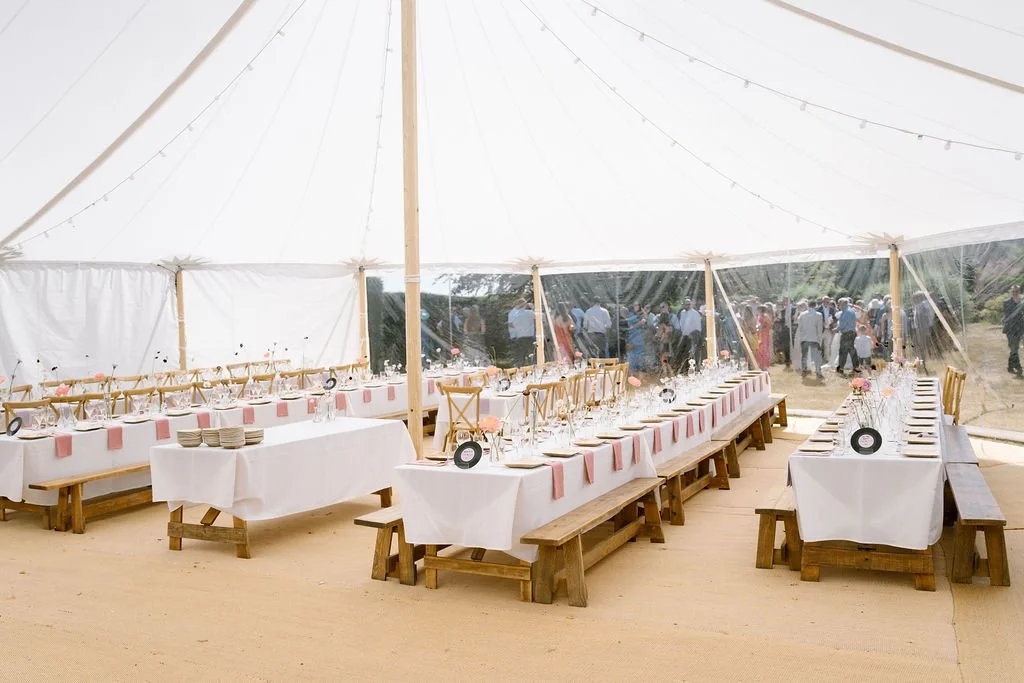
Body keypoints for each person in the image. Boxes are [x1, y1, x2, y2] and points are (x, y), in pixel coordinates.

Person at [796, 301, 824, 379]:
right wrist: (819, 338)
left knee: (804, 355)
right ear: (815, 306)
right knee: (816, 356)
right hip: (814, 337)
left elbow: (800, 327)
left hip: (804, 337)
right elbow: (819, 328)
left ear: (808, 305)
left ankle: (804, 370)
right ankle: (818, 371)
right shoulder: (819, 315)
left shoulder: (802, 314)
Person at [506, 299, 535, 367]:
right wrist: (533, 307)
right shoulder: (529, 313)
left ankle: (521, 369)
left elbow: (510, 325)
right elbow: (540, 317)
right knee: (531, 356)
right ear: (525, 305)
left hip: (519, 337)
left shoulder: (513, 314)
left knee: (520, 356)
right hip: (529, 337)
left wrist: (513, 336)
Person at [835, 298, 859, 375]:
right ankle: (855, 367)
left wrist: (837, 329)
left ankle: (841, 368)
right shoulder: (849, 311)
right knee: (851, 350)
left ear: (843, 304)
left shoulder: (847, 312)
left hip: (847, 333)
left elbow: (843, 324)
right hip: (851, 332)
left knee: (843, 351)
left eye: (839, 304)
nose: (839, 306)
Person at [1004, 284, 1023, 377]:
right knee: (1014, 348)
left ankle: (1010, 366)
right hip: (1010, 329)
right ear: (1011, 292)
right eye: (1013, 291)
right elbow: (1009, 316)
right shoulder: (1006, 302)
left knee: (1014, 348)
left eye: (1017, 291)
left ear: (1019, 292)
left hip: (1019, 329)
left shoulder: (1022, 302)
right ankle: (1018, 367)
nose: (1015, 293)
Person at [677, 299, 702, 368]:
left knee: (693, 352)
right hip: (685, 336)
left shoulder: (695, 313)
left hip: (693, 336)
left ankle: (696, 368)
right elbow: (681, 324)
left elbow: (697, 327)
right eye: (685, 304)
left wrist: (693, 334)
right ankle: (685, 368)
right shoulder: (682, 313)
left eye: (688, 304)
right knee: (684, 353)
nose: (687, 306)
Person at [625, 303, 646, 374]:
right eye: (634, 305)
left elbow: (644, 323)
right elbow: (629, 326)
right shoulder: (630, 315)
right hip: (631, 338)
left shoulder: (641, 315)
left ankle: (640, 379)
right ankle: (631, 378)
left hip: (639, 339)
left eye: (637, 305)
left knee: (640, 360)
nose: (635, 306)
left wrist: (644, 315)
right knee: (631, 359)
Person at [755, 304, 772, 369]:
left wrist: (758, 328)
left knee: (763, 349)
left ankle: (764, 364)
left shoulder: (764, 317)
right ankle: (761, 364)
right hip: (760, 334)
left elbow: (765, 326)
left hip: (763, 334)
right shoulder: (760, 317)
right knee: (760, 349)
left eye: (758, 309)